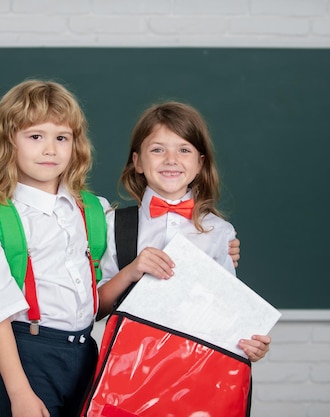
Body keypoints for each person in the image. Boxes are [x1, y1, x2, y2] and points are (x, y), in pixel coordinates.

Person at [0, 79, 108, 417]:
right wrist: (19, 393)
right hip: (29, 356)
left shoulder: (92, 210)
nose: (50, 149)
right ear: (7, 143)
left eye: (61, 138)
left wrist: (218, 242)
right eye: (35, 136)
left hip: (87, 354)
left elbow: (138, 244)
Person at [97, 101, 270, 362]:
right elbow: (96, 308)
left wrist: (250, 344)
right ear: (138, 162)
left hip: (194, 368)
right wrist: (131, 271)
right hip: (129, 367)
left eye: (184, 150)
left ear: (200, 163)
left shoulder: (219, 232)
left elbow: (226, 312)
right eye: (157, 149)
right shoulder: (113, 224)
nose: (171, 160)